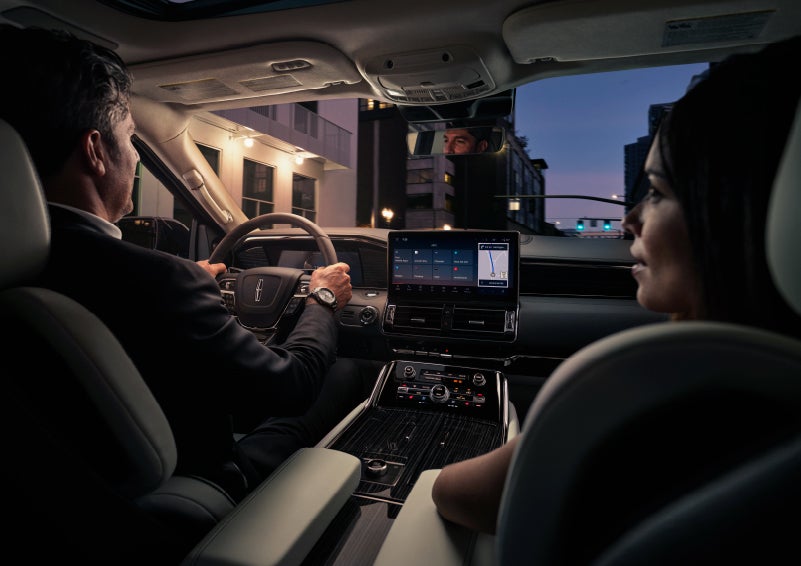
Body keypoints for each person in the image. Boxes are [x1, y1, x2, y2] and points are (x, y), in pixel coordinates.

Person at [431, 34, 801, 535]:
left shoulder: (639, 393)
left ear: (743, 214)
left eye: (659, 192)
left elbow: (453, 494)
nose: (630, 219)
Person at [0, 24, 377, 496]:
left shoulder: (32, 266)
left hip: (72, 492)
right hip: (196, 490)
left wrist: (187, 288)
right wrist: (321, 297)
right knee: (344, 373)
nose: (135, 157)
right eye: (132, 137)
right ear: (95, 152)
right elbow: (293, 384)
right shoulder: (157, 283)